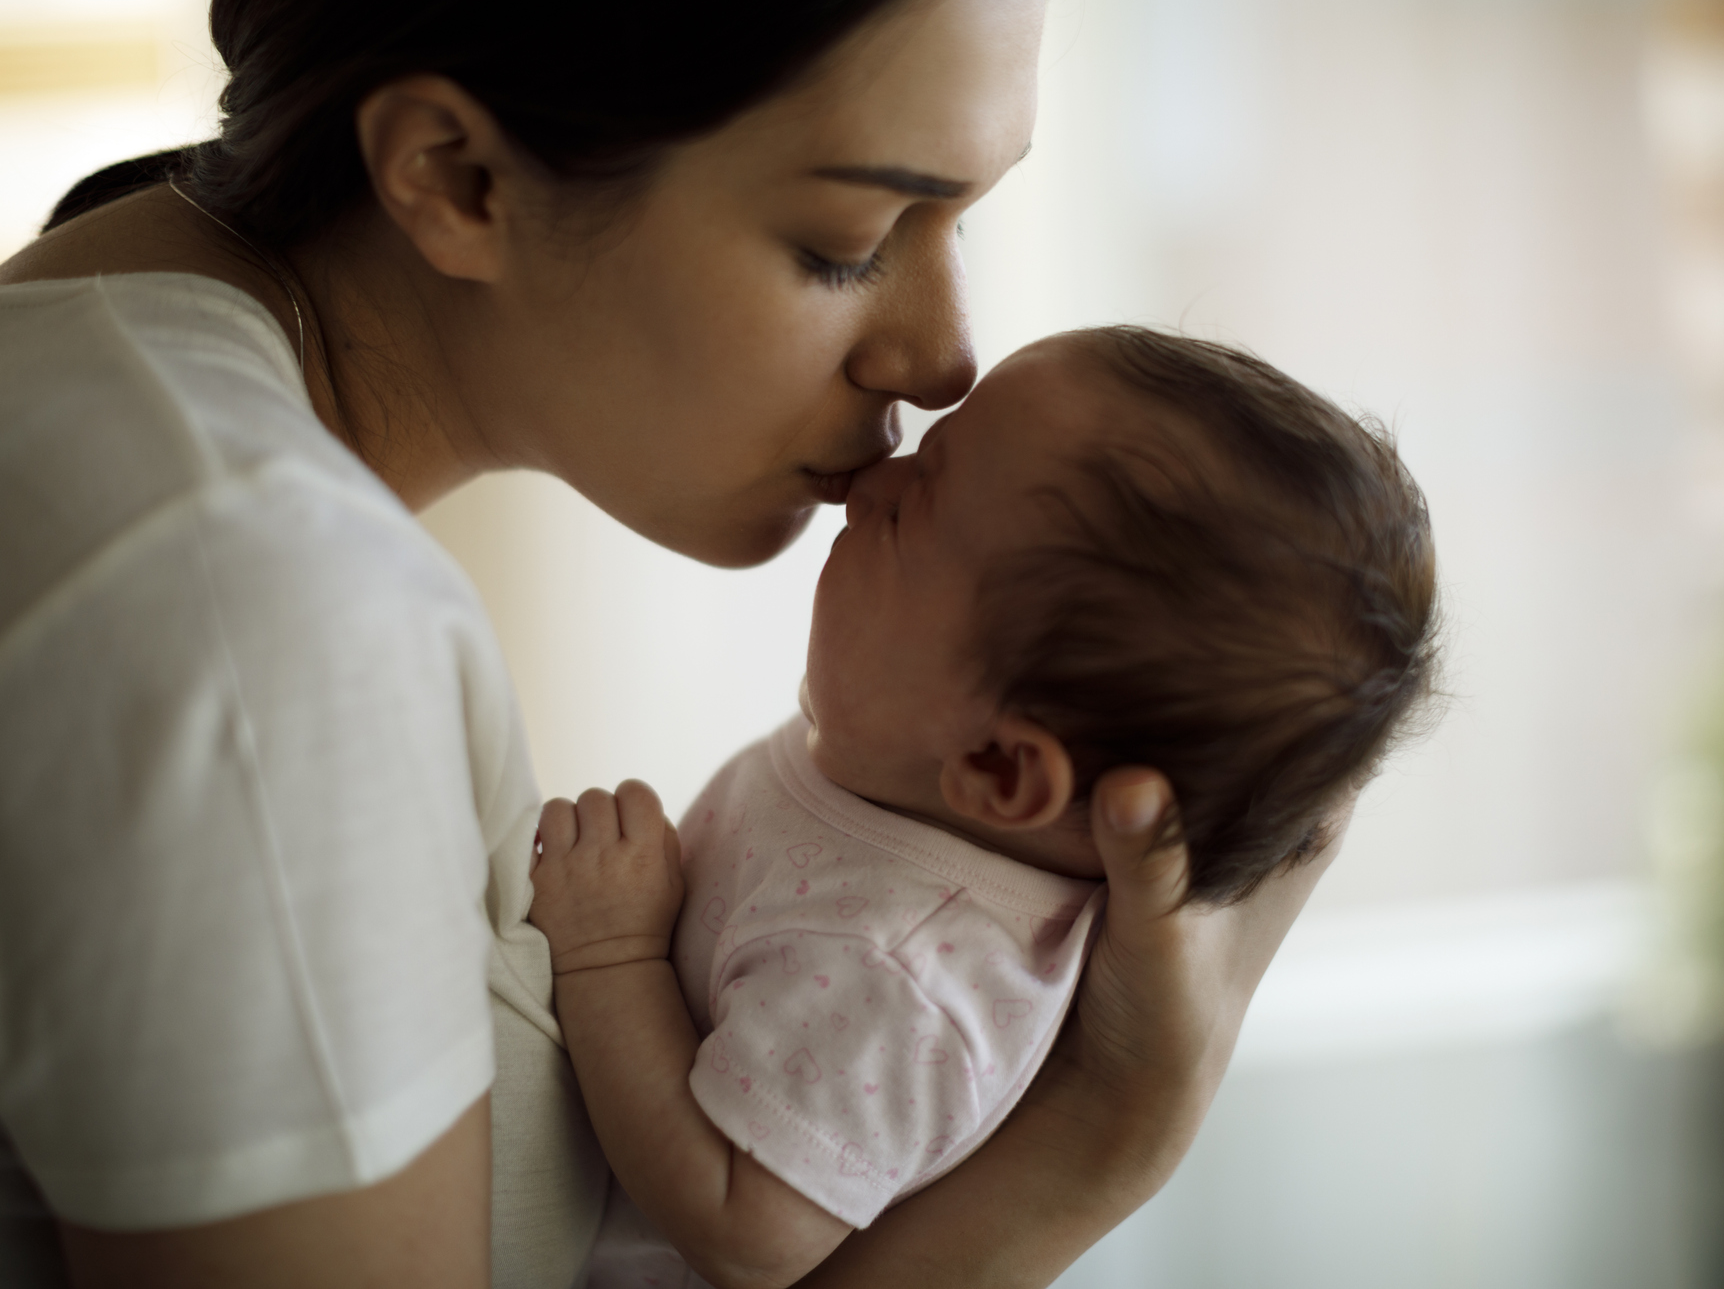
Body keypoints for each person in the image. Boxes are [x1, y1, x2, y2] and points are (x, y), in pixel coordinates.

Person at [0, 0, 1349, 1286]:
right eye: (848, 241)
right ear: (455, 173)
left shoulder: (58, 401)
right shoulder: (250, 600)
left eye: (960, 222)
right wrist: (1096, 1144)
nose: (943, 361)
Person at [527, 327, 1439, 1289]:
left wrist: (609, 955)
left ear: (1002, 768)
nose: (872, 482)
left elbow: (737, 1228)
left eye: (915, 505)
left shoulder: (904, 976)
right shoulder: (907, 776)